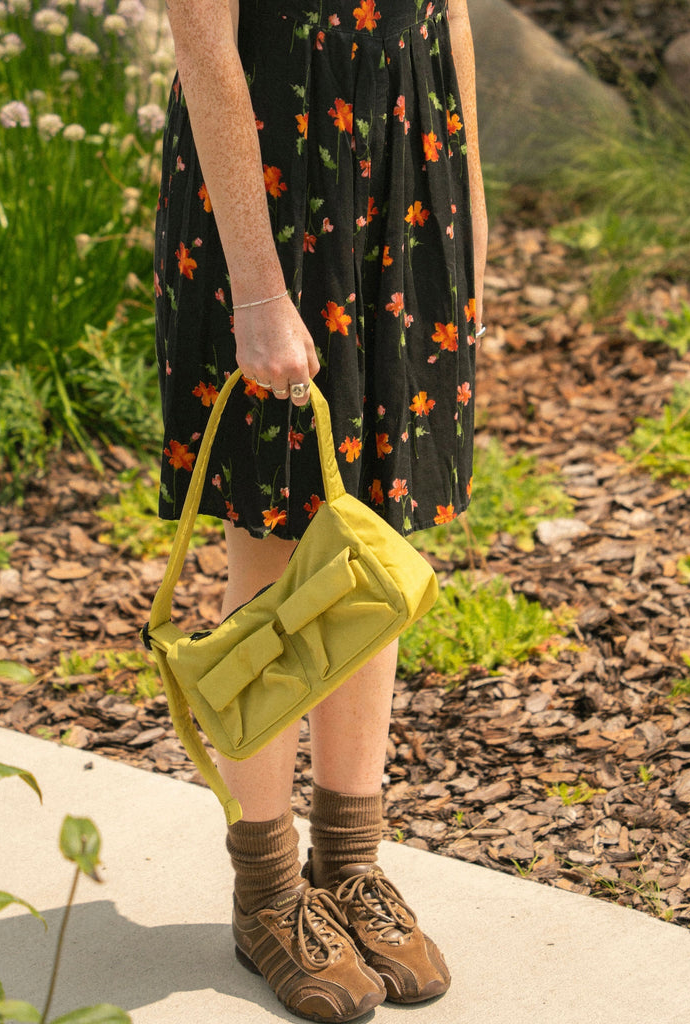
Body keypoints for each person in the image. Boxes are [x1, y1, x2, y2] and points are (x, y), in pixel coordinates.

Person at [153, 0, 486, 1019]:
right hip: (276, 189)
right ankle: (268, 890)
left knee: (371, 528)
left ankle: (350, 867)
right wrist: (256, 290)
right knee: (276, 538)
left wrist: (469, 219)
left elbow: (454, 14)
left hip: (408, 163)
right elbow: (205, 44)